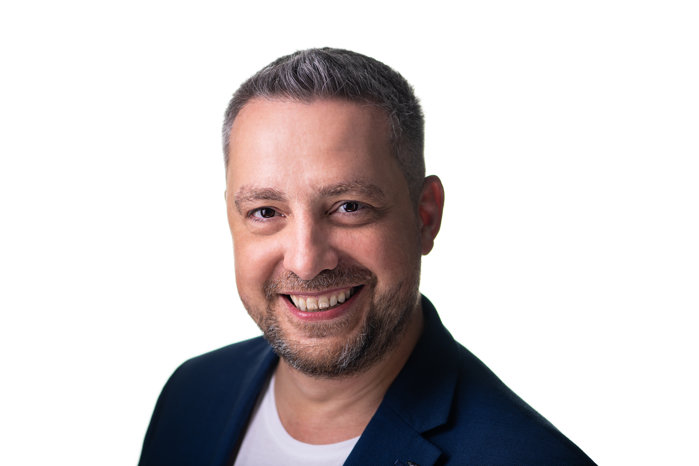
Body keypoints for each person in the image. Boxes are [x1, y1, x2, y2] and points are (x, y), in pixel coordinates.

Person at [139, 48, 595, 465]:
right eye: (265, 211)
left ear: (425, 216)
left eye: (349, 207)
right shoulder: (190, 395)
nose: (305, 261)